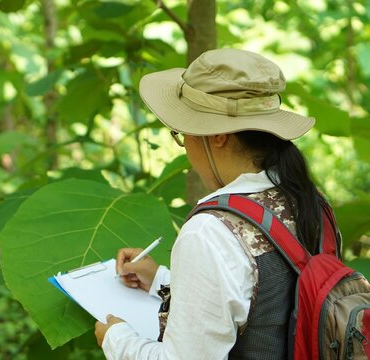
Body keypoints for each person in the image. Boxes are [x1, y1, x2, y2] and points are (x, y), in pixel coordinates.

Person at [94, 48, 337, 359]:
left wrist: (115, 337)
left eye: (182, 134)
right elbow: (269, 299)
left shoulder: (211, 231)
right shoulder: (310, 201)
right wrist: (161, 281)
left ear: (218, 135)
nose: (185, 147)